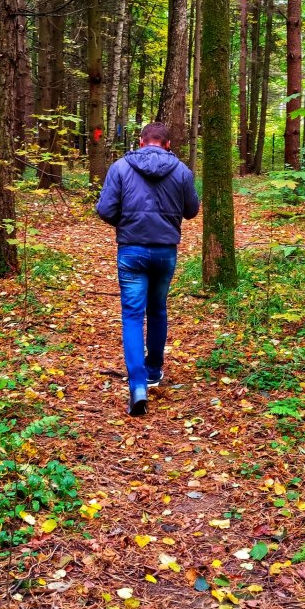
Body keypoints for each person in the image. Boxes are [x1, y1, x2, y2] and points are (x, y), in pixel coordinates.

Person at [95, 122, 200, 416]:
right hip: (165, 251)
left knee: (131, 315)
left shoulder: (120, 167)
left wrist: (126, 223)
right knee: (157, 310)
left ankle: (138, 385)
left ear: (141, 142)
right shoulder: (181, 170)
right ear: (167, 144)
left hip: (131, 250)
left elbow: (104, 209)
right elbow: (192, 211)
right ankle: (154, 372)